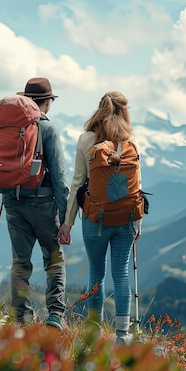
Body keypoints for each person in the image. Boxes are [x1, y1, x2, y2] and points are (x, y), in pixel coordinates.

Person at [58, 90, 141, 345]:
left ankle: (94, 331)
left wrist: (67, 222)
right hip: (127, 217)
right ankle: (123, 335)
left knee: (97, 272)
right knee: (121, 272)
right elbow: (137, 185)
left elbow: (76, 183)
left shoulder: (86, 139)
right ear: (124, 112)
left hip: (95, 219)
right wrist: (138, 223)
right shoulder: (130, 140)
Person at [4, 77, 69, 330]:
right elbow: (61, 177)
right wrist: (66, 220)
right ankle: (55, 316)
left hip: (12, 201)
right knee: (53, 259)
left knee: (20, 262)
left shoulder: (11, 127)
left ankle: (22, 319)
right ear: (47, 102)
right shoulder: (48, 130)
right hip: (43, 203)